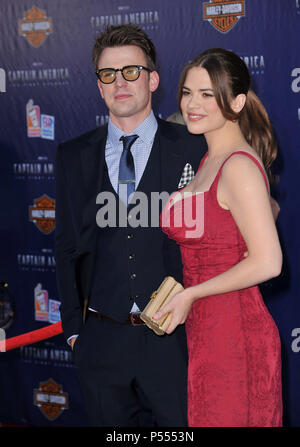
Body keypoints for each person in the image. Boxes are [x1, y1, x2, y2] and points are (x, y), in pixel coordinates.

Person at [54, 24, 207, 426]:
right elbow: (66, 247)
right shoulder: (72, 156)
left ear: (153, 79)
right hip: (101, 342)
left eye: (131, 71)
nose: (120, 82)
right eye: (108, 74)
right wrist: (75, 331)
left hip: (176, 341)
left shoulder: (194, 146)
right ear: (99, 86)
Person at [156, 48, 283, 427]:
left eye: (207, 94)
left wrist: (191, 294)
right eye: (187, 92)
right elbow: (246, 221)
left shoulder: (237, 165)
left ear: (237, 101)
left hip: (236, 334)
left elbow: (269, 262)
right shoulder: (209, 160)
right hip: (206, 330)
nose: (192, 104)